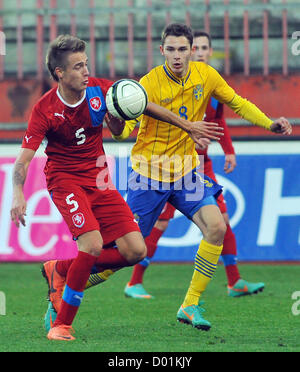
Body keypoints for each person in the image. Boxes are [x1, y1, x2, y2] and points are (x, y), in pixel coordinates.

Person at [10, 34, 224, 341]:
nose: (86, 71)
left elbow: (145, 105)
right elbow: (23, 160)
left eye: (86, 64)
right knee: (92, 244)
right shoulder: (44, 110)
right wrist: (18, 192)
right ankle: (63, 325)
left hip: (98, 179)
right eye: (78, 66)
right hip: (65, 181)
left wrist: (188, 126)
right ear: (60, 73)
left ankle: (60, 269)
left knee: (135, 249)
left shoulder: (99, 89)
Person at [107, 23, 292, 331]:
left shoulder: (206, 76)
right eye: (171, 49)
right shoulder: (148, 83)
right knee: (126, 253)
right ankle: (68, 282)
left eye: (183, 49)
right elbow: (123, 132)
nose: (177, 56)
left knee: (216, 227)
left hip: (186, 172)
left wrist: (269, 123)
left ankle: (190, 304)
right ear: (161, 50)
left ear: (192, 51)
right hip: (148, 175)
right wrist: (115, 123)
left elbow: (236, 102)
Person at [124, 30, 266, 300]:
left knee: (219, 222)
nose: (193, 52)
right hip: (159, 166)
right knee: (150, 232)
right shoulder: (156, 82)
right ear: (163, 50)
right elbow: (136, 122)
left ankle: (230, 282)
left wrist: (229, 150)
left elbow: (222, 120)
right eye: (173, 49)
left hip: (197, 164)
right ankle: (131, 281)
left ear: (205, 52)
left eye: (199, 48)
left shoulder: (211, 83)